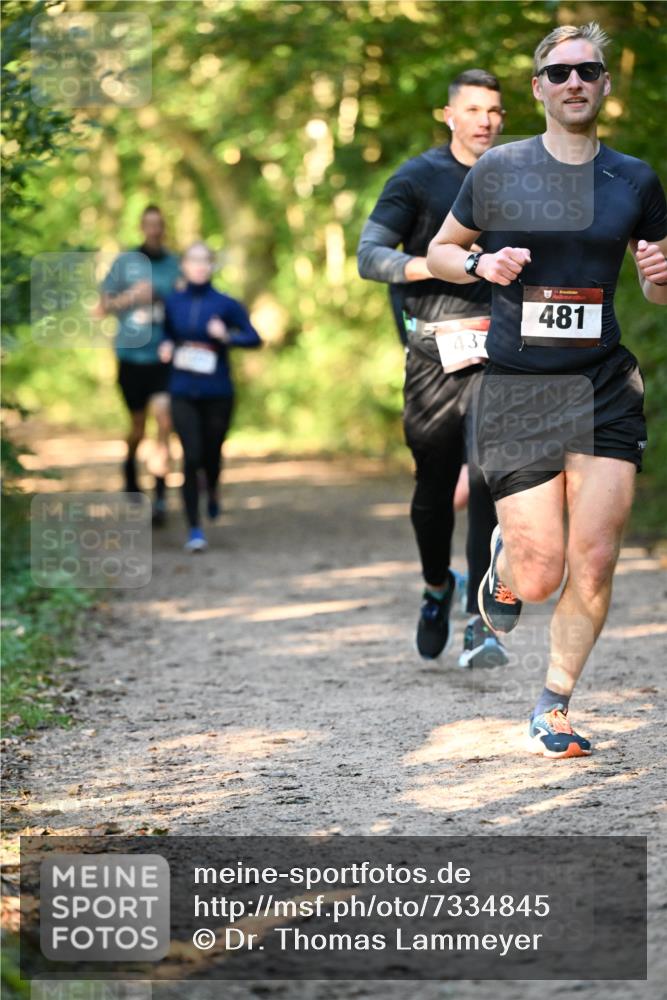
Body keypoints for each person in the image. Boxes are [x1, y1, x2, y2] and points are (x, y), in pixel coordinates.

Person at [426, 22, 667, 757]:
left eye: (586, 72)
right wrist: (478, 267)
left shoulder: (634, 179)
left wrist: (660, 283)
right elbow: (439, 251)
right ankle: (505, 564)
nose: (573, 83)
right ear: (537, 88)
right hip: (520, 389)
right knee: (539, 576)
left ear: (602, 85)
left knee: (594, 558)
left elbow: (658, 290)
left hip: (601, 383)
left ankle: (553, 704)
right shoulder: (498, 168)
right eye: (558, 73)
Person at [357, 69, 509, 669]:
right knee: (433, 488)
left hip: (501, 353)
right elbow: (371, 257)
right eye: (472, 109)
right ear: (448, 116)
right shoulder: (419, 177)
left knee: (490, 478)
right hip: (433, 356)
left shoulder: (521, 176)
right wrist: (449, 265)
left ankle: (479, 622)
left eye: (494, 110)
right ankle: (435, 584)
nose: (485, 120)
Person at [159, 242, 261, 552]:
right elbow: (165, 333)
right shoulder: (173, 302)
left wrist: (226, 336)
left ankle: (213, 488)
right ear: (184, 266)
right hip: (182, 391)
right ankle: (194, 528)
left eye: (205, 261)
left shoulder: (226, 304)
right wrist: (165, 346)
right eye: (194, 260)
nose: (200, 266)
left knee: (211, 454)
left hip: (217, 392)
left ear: (212, 266)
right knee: (191, 456)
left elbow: (254, 338)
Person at [100, 205, 181, 525]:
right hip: (131, 357)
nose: (154, 230)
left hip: (163, 357)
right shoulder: (125, 263)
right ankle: (130, 469)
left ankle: (160, 496)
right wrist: (133, 296)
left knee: (164, 421)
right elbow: (102, 307)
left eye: (159, 225)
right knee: (138, 426)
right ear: (141, 227)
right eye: (148, 225)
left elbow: (185, 301)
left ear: (164, 228)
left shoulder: (175, 264)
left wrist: (166, 298)